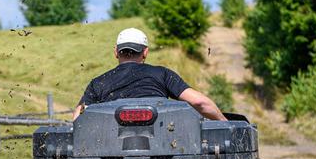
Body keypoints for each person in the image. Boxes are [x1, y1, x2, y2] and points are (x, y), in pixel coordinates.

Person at [73, 28, 227, 121]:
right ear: (145, 52)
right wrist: (226, 122)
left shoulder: (98, 82)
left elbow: (78, 120)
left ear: (116, 52)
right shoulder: (162, 74)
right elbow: (200, 103)